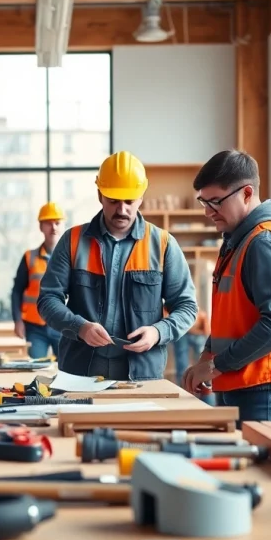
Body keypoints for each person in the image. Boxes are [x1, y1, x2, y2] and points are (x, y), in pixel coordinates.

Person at [183, 149, 271, 434]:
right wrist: (208, 355)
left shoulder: (263, 243)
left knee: (265, 464)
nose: (207, 211)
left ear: (246, 193)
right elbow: (233, 316)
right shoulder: (238, 242)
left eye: (215, 201)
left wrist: (216, 365)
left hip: (269, 389)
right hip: (248, 383)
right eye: (204, 201)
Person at [36, 151, 198, 381]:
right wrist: (79, 327)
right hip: (79, 374)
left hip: (142, 376)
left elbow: (187, 306)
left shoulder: (163, 244)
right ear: (100, 195)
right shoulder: (72, 241)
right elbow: (48, 299)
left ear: (141, 197)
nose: (122, 210)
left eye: (129, 201)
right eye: (113, 201)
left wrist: (157, 332)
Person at [11, 202, 65, 359]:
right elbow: (17, 291)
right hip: (35, 328)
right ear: (41, 227)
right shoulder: (29, 257)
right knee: (36, 368)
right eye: (48, 223)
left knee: (66, 368)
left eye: (57, 223)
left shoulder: (71, 258)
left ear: (62, 226)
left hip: (63, 326)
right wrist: (18, 320)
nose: (53, 227)